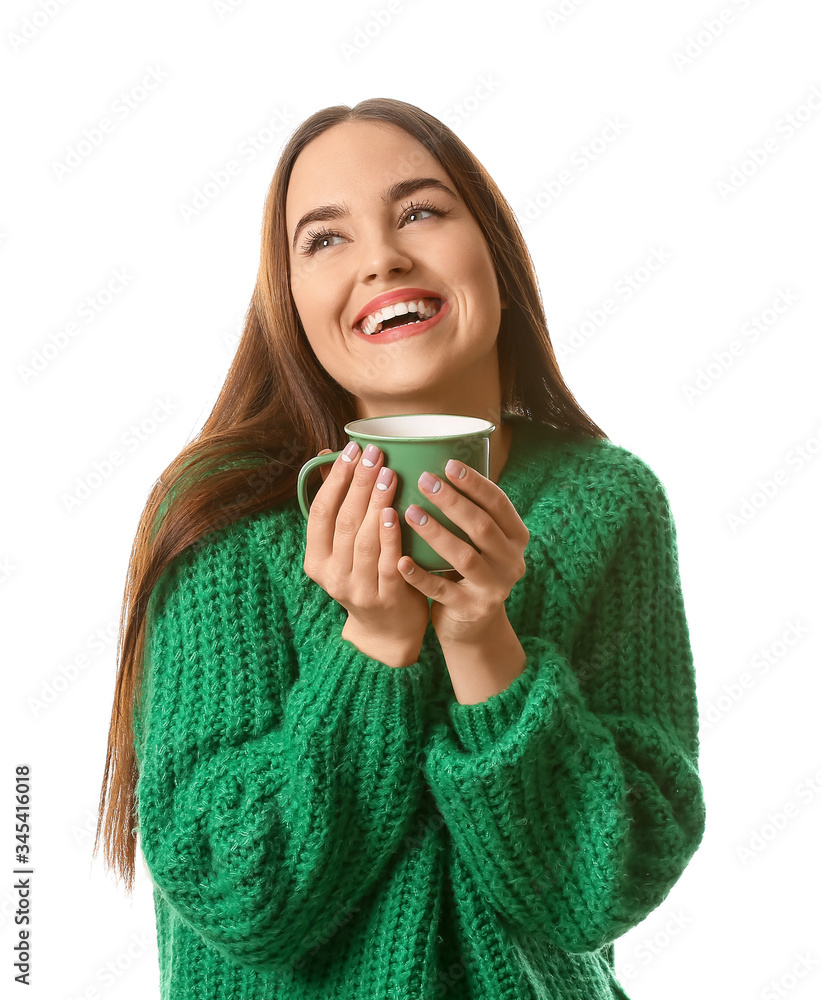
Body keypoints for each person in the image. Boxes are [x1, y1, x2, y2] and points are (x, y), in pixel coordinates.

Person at [94, 97, 706, 999]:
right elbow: (238, 893)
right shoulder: (220, 516)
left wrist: (481, 641)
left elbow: (603, 888)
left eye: (420, 211)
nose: (382, 257)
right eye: (324, 239)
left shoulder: (606, 503)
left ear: (492, 250)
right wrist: (376, 644)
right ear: (289, 301)